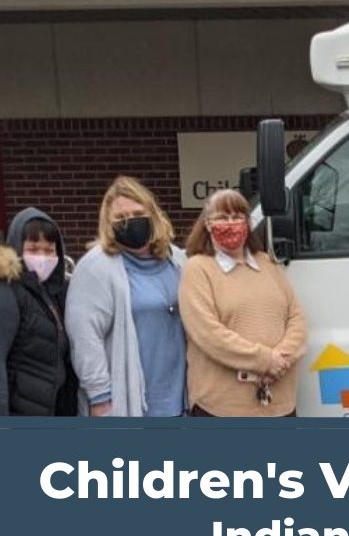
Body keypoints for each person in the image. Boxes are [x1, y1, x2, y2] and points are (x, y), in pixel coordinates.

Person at [66, 176, 188, 417]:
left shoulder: (177, 260)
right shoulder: (96, 267)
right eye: (121, 218)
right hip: (128, 401)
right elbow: (85, 337)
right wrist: (99, 396)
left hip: (179, 398)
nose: (131, 221)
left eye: (137, 213)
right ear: (108, 224)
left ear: (153, 214)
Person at [179, 189, 306, 417]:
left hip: (280, 404)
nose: (231, 223)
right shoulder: (197, 268)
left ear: (248, 223)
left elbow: (296, 317)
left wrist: (281, 359)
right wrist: (264, 361)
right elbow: (208, 334)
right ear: (207, 224)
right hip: (223, 407)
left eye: (238, 216)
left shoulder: (267, 263)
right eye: (222, 217)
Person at [0, 208, 77, 416]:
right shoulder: (8, 292)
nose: (42, 257)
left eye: (49, 249)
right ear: (17, 248)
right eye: (33, 249)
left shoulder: (53, 294)